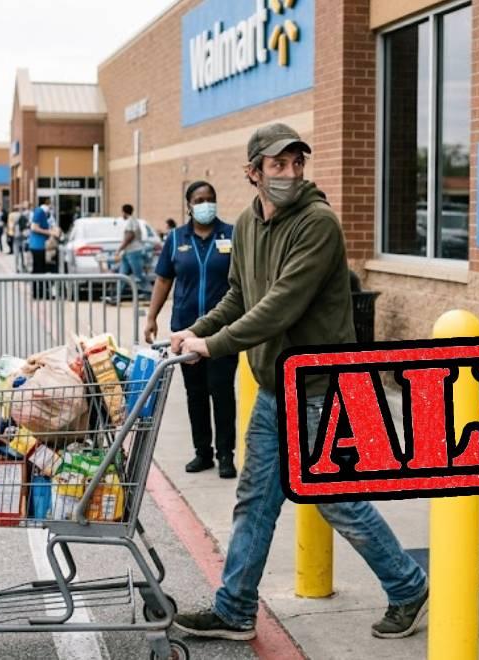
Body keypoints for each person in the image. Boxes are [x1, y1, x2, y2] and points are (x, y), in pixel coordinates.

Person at [171, 123, 428, 641]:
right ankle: (235, 608)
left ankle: (407, 585)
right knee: (255, 499)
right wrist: (195, 331)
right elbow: (240, 297)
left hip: (319, 387)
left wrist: (214, 347)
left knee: (334, 497)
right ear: (253, 172)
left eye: (296, 163)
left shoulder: (317, 224)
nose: (290, 173)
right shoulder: (246, 225)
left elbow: (280, 306)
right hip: (274, 390)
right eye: (277, 164)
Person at [145, 182, 237, 479]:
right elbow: (163, 280)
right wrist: (151, 317)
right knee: (195, 393)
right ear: (189, 204)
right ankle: (203, 453)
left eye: (210, 199)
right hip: (185, 332)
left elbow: (243, 281)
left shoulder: (231, 235)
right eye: (199, 200)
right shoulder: (175, 238)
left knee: (221, 392)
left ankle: (226, 455)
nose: (206, 204)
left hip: (221, 333)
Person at [109, 204, 148, 304]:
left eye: (121, 212)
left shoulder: (132, 221)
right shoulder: (132, 221)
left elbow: (129, 237)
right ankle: (117, 297)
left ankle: (150, 294)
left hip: (134, 252)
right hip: (128, 253)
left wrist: (119, 249)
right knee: (122, 276)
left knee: (139, 274)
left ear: (124, 211)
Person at [28, 199, 54, 297]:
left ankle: (39, 291)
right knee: (38, 269)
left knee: (39, 269)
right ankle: (38, 292)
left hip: (39, 245)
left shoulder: (42, 212)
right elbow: (34, 227)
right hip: (37, 246)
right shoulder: (40, 212)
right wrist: (49, 232)